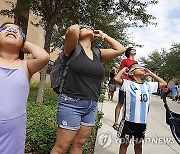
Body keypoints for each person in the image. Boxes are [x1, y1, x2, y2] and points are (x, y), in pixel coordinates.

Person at [51, 24, 126, 154]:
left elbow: (120, 49)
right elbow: (72, 30)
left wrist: (103, 36)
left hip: (91, 105)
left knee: (79, 144)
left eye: (91, 27)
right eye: (84, 27)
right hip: (71, 103)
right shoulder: (72, 48)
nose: (89, 28)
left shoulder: (97, 53)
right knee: (61, 147)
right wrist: (80, 27)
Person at [0, 22, 50, 154]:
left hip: (13, 132)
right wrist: (18, 36)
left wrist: (25, 43)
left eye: (17, 31)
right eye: (5, 29)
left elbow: (44, 57)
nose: (11, 30)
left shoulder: (26, 65)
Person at [114, 63, 167, 154]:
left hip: (142, 122)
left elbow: (164, 83)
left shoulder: (148, 85)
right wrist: (123, 70)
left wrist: (151, 74)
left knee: (138, 144)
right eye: (137, 68)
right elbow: (116, 79)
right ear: (131, 73)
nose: (142, 68)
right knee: (124, 144)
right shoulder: (127, 84)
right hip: (129, 122)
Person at [113, 47, 138, 130]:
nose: (135, 50)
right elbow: (121, 71)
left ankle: (127, 123)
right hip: (124, 83)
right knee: (121, 102)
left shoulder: (136, 62)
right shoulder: (124, 61)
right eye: (132, 49)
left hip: (132, 85)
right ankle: (116, 122)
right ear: (128, 52)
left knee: (130, 105)